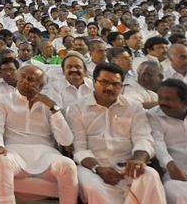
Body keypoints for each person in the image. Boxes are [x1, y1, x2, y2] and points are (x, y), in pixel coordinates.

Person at [67, 62, 166, 204]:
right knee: (93, 188)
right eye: (104, 82)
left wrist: (138, 160)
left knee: (150, 175)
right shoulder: (77, 109)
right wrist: (98, 169)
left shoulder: (133, 107)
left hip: (127, 165)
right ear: (94, 82)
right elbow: (80, 148)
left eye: (116, 84)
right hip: (93, 167)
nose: (109, 88)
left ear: (121, 86)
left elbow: (143, 138)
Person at [0, 65, 78, 204]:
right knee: (3, 160)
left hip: (46, 155)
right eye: (23, 77)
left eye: (30, 79)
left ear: (40, 85)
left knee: (68, 165)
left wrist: (54, 109)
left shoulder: (49, 104)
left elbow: (66, 141)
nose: (25, 81)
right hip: (15, 152)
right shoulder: (2, 100)